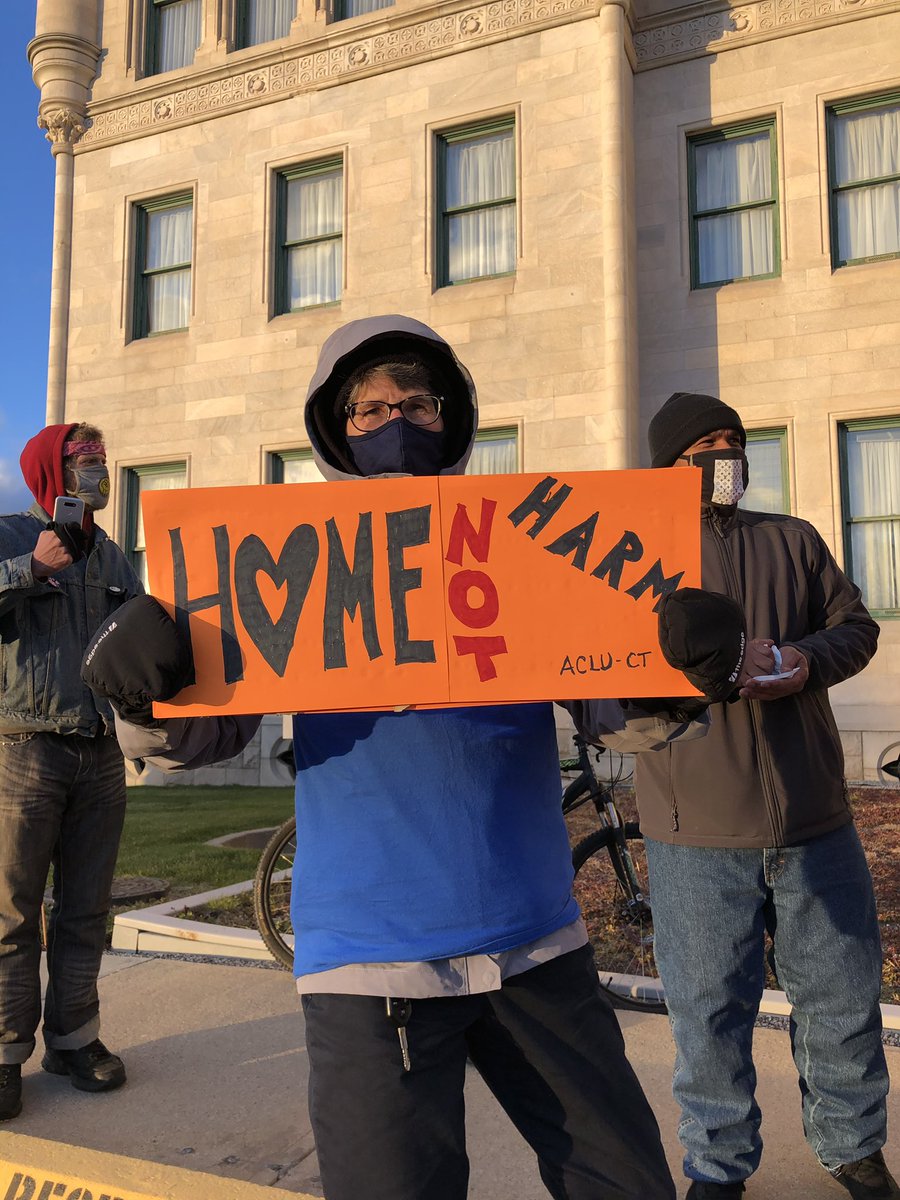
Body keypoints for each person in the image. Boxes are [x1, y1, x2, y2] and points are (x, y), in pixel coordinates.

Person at [81, 317, 745, 1200]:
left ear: (450, 417)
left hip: (537, 945)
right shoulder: (290, 567)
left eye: (418, 404)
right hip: (369, 964)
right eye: (370, 409)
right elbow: (202, 737)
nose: (396, 422)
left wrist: (681, 676)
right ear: (337, 430)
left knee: (626, 1184)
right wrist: (142, 696)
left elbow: (616, 716)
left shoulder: (527, 551)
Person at [636, 391, 896, 1200]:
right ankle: (718, 1167)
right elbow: (608, 680)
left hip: (814, 816)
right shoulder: (636, 557)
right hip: (694, 828)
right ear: (668, 463)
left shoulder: (794, 539)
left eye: (733, 440)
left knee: (842, 997)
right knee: (708, 1011)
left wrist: (805, 661)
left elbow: (856, 629)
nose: (724, 456)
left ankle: (853, 1149)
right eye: (704, 444)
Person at [0, 423, 143, 1121]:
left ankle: (74, 1040)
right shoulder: (9, 534)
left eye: (103, 462)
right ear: (52, 470)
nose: (99, 473)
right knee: (11, 912)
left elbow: (142, 636)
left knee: (86, 909)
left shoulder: (111, 554)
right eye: (86, 461)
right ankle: (4, 1054)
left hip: (100, 751)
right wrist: (31, 567)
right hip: (23, 749)